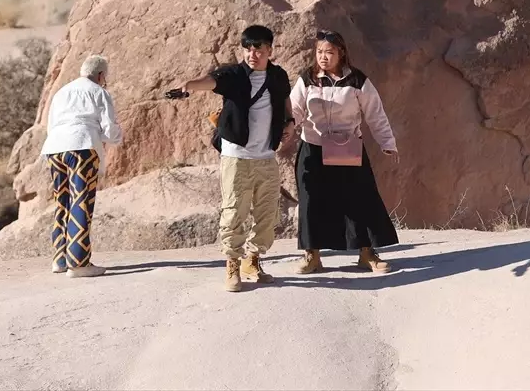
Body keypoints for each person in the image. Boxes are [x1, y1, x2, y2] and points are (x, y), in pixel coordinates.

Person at [165, 25, 294, 292]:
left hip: (266, 155)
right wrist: (190, 86)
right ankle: (232, 263)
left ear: (269, 50)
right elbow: (211, 81)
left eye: (258, 48)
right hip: (237, 155)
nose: (252, 53)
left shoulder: (278, 76)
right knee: (235, 210)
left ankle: (253, 260)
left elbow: (284, 101)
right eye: (247, 48)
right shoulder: (234, 74)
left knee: (268, 212)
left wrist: (290, 122)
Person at [289, 30, 398, 274]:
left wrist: (386, 142)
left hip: (348, 147)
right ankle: (312, 256)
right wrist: (287, 126)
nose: (323, 57)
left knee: (361, 199)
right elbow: (295, 109)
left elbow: (375, 113)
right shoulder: (307, 79)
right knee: (311, 202)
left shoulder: (357, 80)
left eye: (329, 52)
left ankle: (367, 254)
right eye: (319, 52)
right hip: (313, 149)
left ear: (341, 53)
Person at [40, 54, 122, 278]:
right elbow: (108, 128)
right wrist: (117, 137)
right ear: (101, 75)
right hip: (82, 145)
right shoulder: (99, 92)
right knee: (81, 201)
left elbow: (51, 124)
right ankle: (78, 263)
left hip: (54, 147)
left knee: (62, 200)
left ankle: (60, 258)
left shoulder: (62, 92)